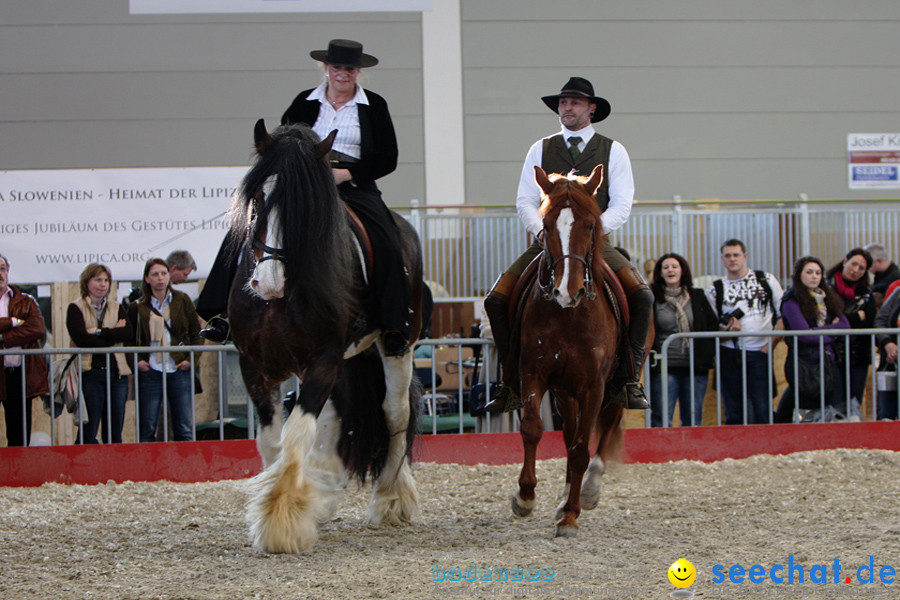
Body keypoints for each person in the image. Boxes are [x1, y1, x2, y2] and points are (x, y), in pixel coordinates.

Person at [199, 39, 411, 357]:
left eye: (350, 68)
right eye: (337, 67)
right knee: (246, 227)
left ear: (358, 72)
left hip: (355, 187)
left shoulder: (374, 106)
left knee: (387, 237)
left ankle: (393, 325)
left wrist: (347, 174)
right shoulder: (304, 102)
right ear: (326, 68)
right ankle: (222, 314)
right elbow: (283, 145)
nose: (343, 73)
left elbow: (388, 157)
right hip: (304, 189)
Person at [483, 76, 652, 412]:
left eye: (574, 103)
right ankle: (510, 381)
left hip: (593, 241)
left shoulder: (613, 150)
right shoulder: (540, 148)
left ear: (591, 109)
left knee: (643, 296)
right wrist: (543, 232)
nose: (567, 108)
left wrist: (594, 231)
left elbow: (622, 203)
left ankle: (628, 379)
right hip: (548, 241)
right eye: (562, 103)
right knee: (496, 300)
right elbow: (525, 199)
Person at [705, 239, 783, 425]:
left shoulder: (766, 280)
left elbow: (783, 315)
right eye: (728, 256)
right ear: (722, 259)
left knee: (762, 407)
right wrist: (726, 329)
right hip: (729, 353)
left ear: (745, 256)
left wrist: (771, 344)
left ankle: (765, 449)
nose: (732, 259)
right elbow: (710, 326)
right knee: (734, 409)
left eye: (736, 255)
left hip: (760, 351)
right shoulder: (715, 289)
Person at [129, 258, 203, 442]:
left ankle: (185, 467)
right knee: (147, 426)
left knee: (183, 426)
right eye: (155, 274)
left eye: (163, 273)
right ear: (147, 279)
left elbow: (197, 332)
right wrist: (137, 362)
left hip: (178, 367)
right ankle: (147, 467)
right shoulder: (138, 307)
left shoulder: (182, 300)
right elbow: (128, 341)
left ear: (169, 276)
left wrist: (191, 359)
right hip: (151, 369)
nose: (160, 278)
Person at [774, 257, 849, 423]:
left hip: (830, 360)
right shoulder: (791, 301)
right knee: (804, 408)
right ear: (799, 275)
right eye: (809, 272)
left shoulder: (827, 297)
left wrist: (818, 331)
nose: (814, 276)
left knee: (835, 409)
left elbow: (845, 325)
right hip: (805, 363)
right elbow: (806, 336)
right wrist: (832, 332)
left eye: (818, 273)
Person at [66, 264, 133, 444]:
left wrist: (98, 332)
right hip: (90, 373)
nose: (103, 284)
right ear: (87, 282)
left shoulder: (116, 307)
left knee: (115, 429)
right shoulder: (75, 308)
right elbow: (81, 339)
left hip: (116, 373)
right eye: (98, 280)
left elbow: (127, 333)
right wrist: (112, 333)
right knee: (90, 426)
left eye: (106, 280)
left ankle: (114, 468)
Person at [648, 253, 718, 427]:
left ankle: (692, 453)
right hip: (664, 367)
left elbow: (711, 324)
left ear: (682, 270)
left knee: (693, 418)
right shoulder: (652, 298)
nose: (670, 270)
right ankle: (662, 452)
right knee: (662, 417)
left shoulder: (698, 296)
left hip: (695, 367)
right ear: (660, 273)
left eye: (674, 266)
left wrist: (707, 354)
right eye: (666, 267)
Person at [0, 253, 48, 446]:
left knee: (18, 433)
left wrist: (3, 338)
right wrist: (11, 322)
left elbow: (36, 329)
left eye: (2, 268)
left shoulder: (26, 301)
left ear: (8, 272)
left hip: (18, 374)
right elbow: (26, 329)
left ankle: (17, 475)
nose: (0, 273)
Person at [824, 248, 875, 421]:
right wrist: (856, 317)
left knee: (854, 403)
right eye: (854, 264)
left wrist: (843, 319)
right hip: (831, 354)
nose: (856, 270)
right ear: (845, 261)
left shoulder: (866, 294)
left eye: (861, 268)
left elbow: (869, 321)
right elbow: (828, 319)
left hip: (858, 355)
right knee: (835, 403)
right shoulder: (825, 287)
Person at [874, 286, 900, 420]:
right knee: (886, 414)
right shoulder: (898, 292)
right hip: (893, 362)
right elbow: (880, 320)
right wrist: (888, 344)